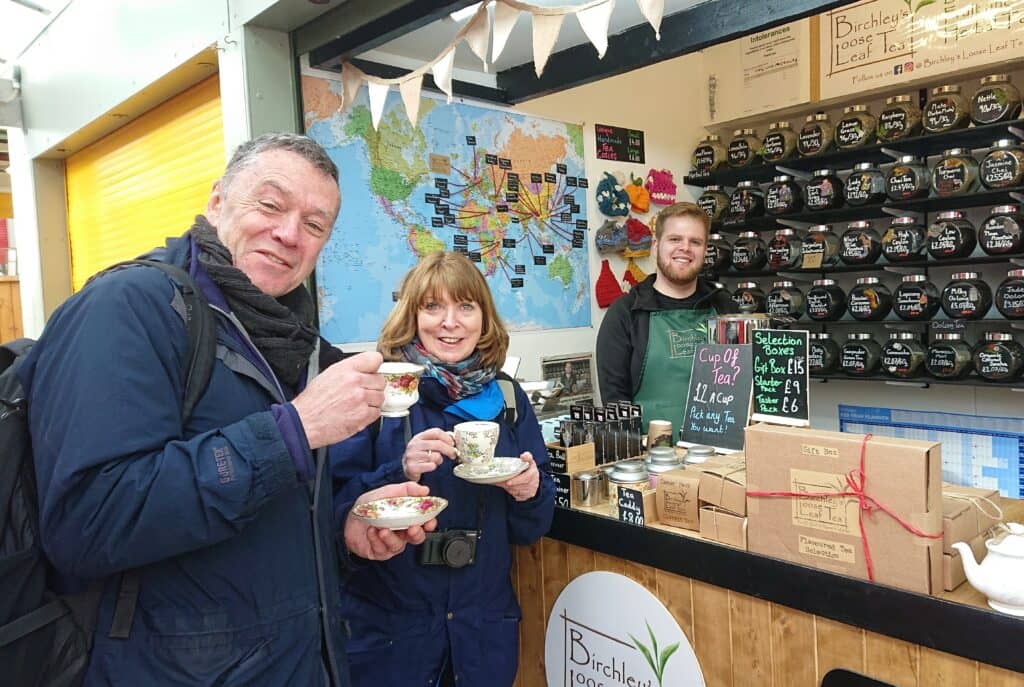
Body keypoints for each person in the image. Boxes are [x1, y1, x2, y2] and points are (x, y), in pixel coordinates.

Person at [18, 133, 435, 686]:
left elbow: (265, 523)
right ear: (217, 201)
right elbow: (88, 522)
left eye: (314, 225)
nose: (289, 234)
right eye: (270, 204)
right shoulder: (125, 309)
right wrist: (296, 428)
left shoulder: (293, 341)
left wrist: (344, 529)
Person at [331, 251, 555, 687]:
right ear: (412, 316)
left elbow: (532, 528)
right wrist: (398, 470)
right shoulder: (376, 392)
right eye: (433, 307)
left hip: (482, 636)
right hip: (393, 642)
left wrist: (530, 490)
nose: (450, 322)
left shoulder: (507, 398)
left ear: (483, 318)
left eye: (465, 307)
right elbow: (334, 516)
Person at [596, 201, 737, 429]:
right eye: (675, 239)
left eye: (695, 242)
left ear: (704, 250)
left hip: (721, 454)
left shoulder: (724, 307)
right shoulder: (624, 313)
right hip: (651, 457)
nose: (685, 248)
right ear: (656, 246)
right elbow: (615, 404)